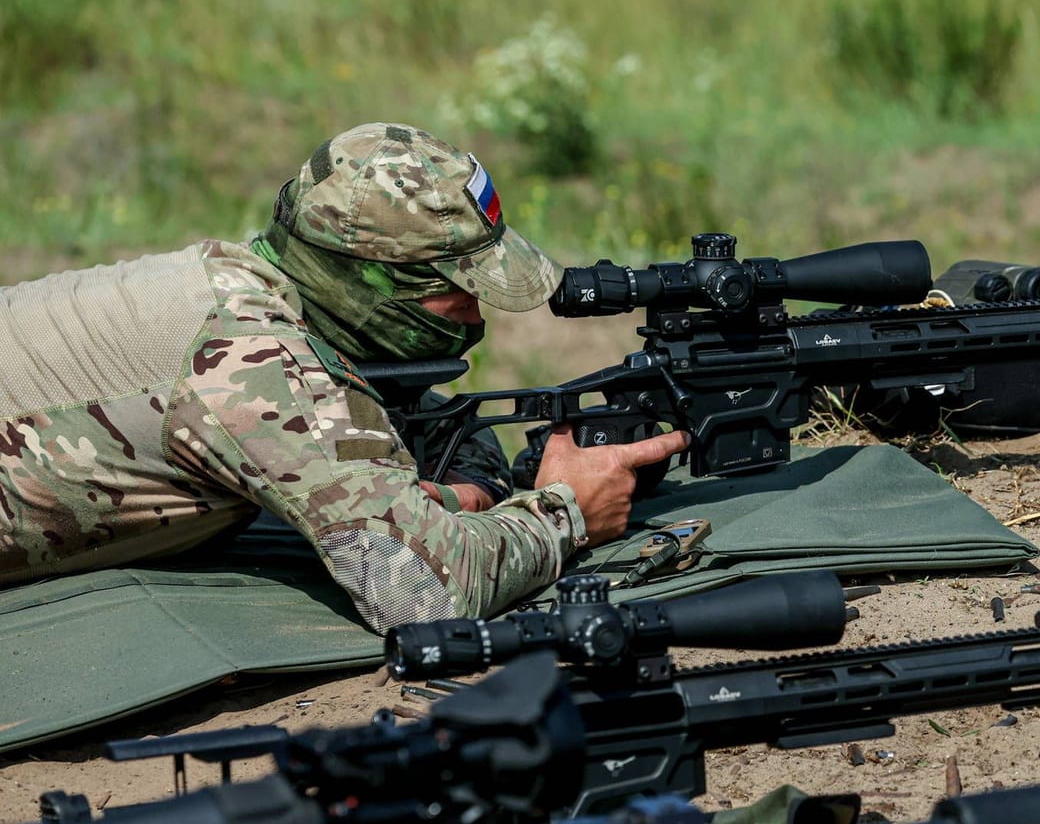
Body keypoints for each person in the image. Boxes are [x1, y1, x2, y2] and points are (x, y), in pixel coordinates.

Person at [0, 122, 688, 632]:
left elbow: (409, 411)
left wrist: (470, 488)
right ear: (368, 283)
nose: (477, 314)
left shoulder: (249, 285)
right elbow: (423, 596)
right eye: (459, 289)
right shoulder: (254, 364)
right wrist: (566, 512)